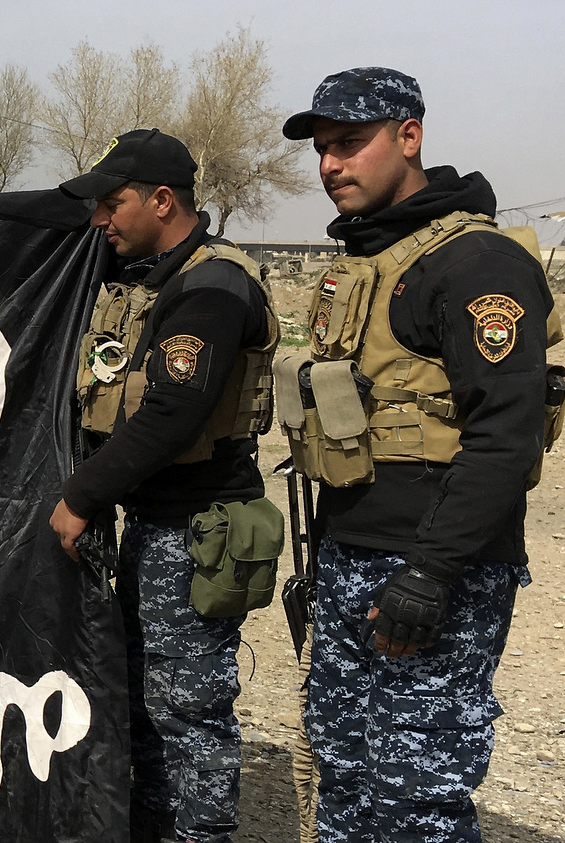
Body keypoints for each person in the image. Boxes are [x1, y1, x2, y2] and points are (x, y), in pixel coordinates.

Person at [281, 67, 558, 842]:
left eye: (350, 143)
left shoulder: (478, 263)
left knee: (413, 799)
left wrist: (430, 574)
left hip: (434, 573)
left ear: (410, 137)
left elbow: (505, 435)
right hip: (350, 557)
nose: (331, 164)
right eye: (323, 149)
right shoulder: (370, 261)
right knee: (342, 770)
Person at [48, 129, 278, 843]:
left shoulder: (212, 284)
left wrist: (80, 495)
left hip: (199, 529)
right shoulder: (147, 279)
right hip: (156, 525)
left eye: (112, 203)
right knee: (146, 703)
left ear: (162, 199)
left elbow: (173, 414)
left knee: (188, 712)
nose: (101, 220)